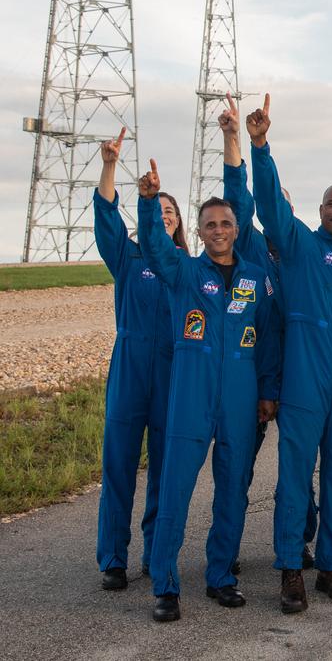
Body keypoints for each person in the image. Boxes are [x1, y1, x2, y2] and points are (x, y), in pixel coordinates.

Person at [247, 94, 332, 613]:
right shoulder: (299, 246)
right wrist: (260, 147)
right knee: (295, 477)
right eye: (331, 204)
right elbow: (271, 210)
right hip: (303, 382)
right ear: (319, 210)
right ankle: (289, 571)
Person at [135, 159, 277, 623]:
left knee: (233, 491)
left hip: (239, 394)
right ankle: (166, 585)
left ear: (237, 229)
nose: (218, 230)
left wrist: (266, 391)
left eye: (225, 223)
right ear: (198, 233)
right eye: (209, 224)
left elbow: (269, 340)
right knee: (176, 488)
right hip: (191, 393)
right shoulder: (183, 273)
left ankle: (221, 578)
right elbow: (155, 246)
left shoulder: (256, 278)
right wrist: (149, 202)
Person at [218, 95, 317, 571]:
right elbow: (239, 199)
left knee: (299, 474)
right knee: (237, 469)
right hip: (253, 381)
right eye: (273, 207)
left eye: (286, 210)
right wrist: (237, 140)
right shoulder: (252, 248)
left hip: (298, 382)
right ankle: (226, 550)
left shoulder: (307, 257)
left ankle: (299, 541)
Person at [93, 128, 183, 592]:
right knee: (119, 466)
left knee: (165, 470)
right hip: (129, 368)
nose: (163, 217)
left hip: (172, 374)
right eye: (157, 210)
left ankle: (155, 552)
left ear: (177, 224)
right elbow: (106, 218)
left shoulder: (188, 266)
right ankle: (112, 557)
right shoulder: (127, 257)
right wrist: (110, 166)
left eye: (170, 213)